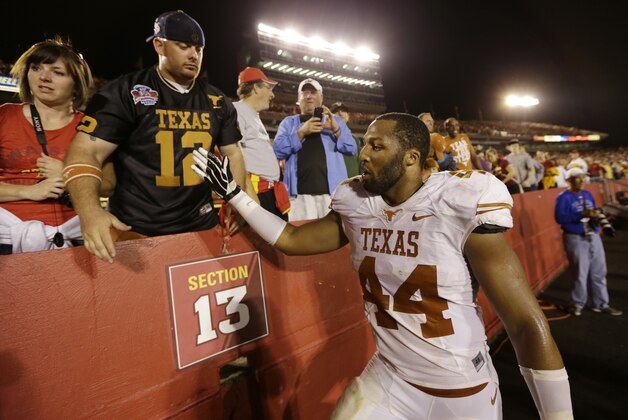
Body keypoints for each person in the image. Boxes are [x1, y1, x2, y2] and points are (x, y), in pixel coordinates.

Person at [193, 113, 573, 419]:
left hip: (462, 392)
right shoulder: (359, 203)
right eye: (364, 144)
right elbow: (292, 240)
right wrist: (235, 195)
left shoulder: (458, 203)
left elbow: (525, 323)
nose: (364, 154)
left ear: (411, 157)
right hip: (390, 377)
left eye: (377, 146)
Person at [63, 10, 256, 263]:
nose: (193, 55)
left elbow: (233, 152)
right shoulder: (125, 91)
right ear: (159, 44)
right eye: (184, 46)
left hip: (201, 225)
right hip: (137, 230)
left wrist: (241, 200)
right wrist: (89, 211)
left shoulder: (217, 100)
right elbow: (85, 151)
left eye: (198, 49)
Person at [0, 37, 97, 254]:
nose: (43, 77)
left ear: (76, 84)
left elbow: (109, 185)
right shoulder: (4, 116)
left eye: (57, 72)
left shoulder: (90, 127)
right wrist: (30, 191)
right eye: (36, 68)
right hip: (7, 234)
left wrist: (69, 173)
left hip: (75, 235)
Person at [273, 78, 357, 221]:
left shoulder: (335, 121)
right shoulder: (288, 123)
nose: (308, 96)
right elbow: (277, 151)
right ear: (299, 98)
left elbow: (352, 148)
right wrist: (301, 132)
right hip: (298, 196)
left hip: (333, 195)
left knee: (333, 239)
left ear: (321, 97)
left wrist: (335, 129)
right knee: (301, 238)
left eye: (313, 92)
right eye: (304, 92)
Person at [554, 167, 622, 317]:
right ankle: (577, 304)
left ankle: (601, 303)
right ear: (569, 180)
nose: (583, 180)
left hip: (593, 235)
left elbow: (595, 212)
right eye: (578, 177)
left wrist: (603, 223)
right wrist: (581, 214)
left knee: (599, 272)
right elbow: (560, 218)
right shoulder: (563, 197)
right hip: (575, 237)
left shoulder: (587, 194)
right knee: (580, 273)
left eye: (583, 177)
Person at [233, 66, 289, 220]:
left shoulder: (252, 114)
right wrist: (245, 199)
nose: (272, 94)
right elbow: (234, 157)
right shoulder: (238, 111)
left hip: (270, 191)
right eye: (268, 87)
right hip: (257, 192)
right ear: (256, 88)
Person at [330, 101, 363, 178]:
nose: (340, 113)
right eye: (336, 111)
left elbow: (359, 162)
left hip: (353, 182)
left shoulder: (355, 139)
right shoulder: (327, 137)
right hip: (335, 182)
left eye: (343, 111)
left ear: (348, 116)